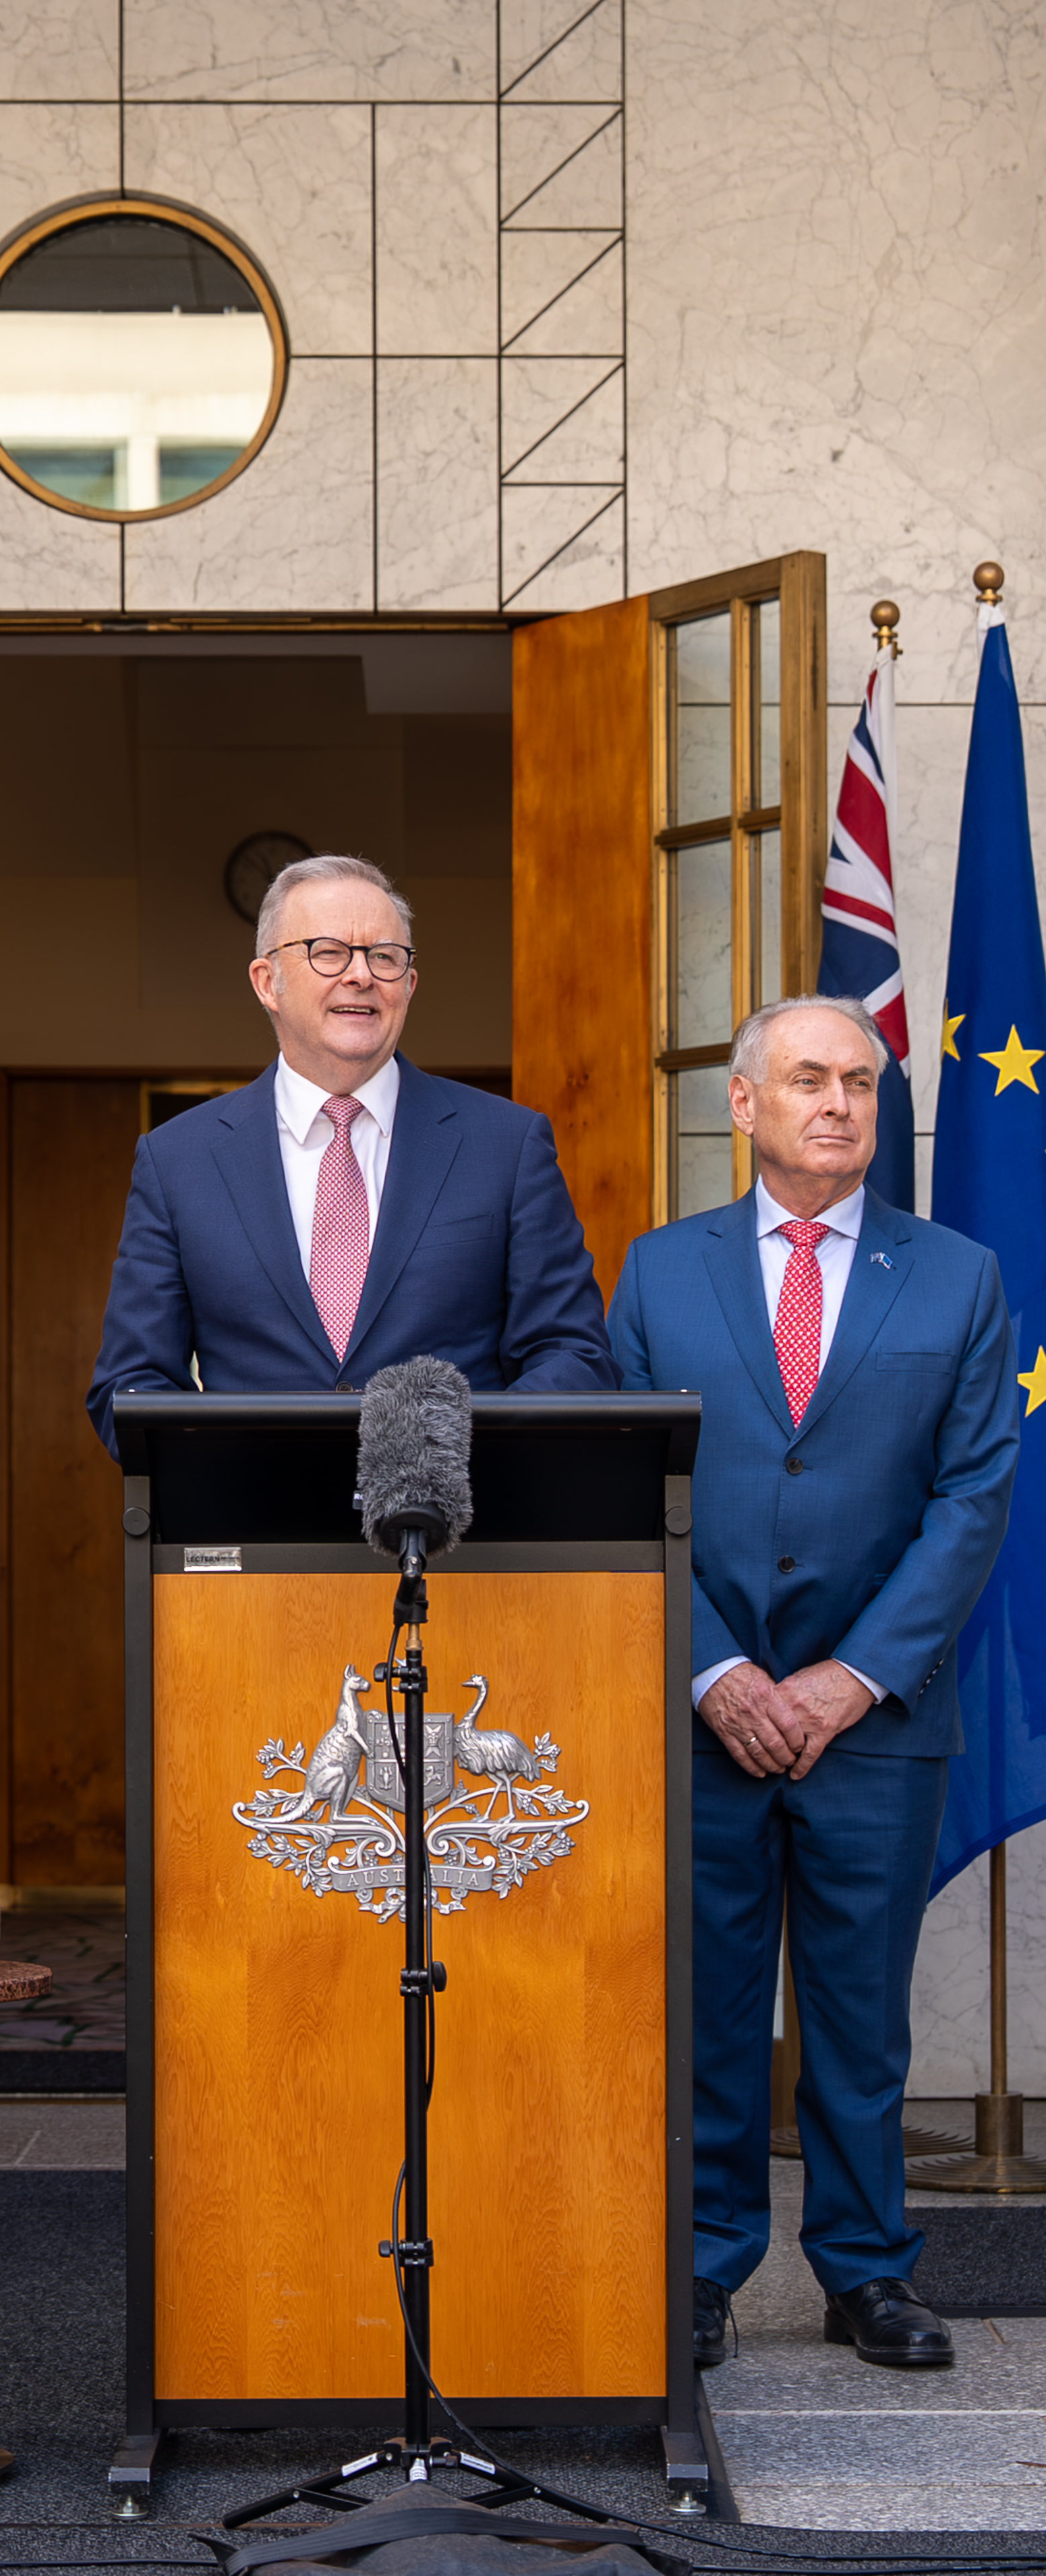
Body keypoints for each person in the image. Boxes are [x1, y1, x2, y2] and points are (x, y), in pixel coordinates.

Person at [610, 995, 1018, 2371]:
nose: (836, 1101)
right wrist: (716, 1669)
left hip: (875, 1723)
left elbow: (971, 1496)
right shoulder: (657, 1275)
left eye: (858, 1079)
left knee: (858, 2022)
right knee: (711, 2012)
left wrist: (847, 1679)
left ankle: (866, 2273)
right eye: (806, 1078)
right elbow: (628, 1490)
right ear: (743, 1103)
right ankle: (704, 2269)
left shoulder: (955, 1274)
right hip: (702, 1710)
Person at [87, 852, 617, 1450]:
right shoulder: (178, 1160)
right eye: (329, 951)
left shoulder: (506, 1144)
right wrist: (231, 1475)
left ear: (409, 986)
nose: (361, 975)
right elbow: (129, 1387)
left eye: (385, 957)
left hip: (458, 1530)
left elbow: (575, 1359)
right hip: (259, 1529)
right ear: (268, 982)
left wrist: (447, 1451)